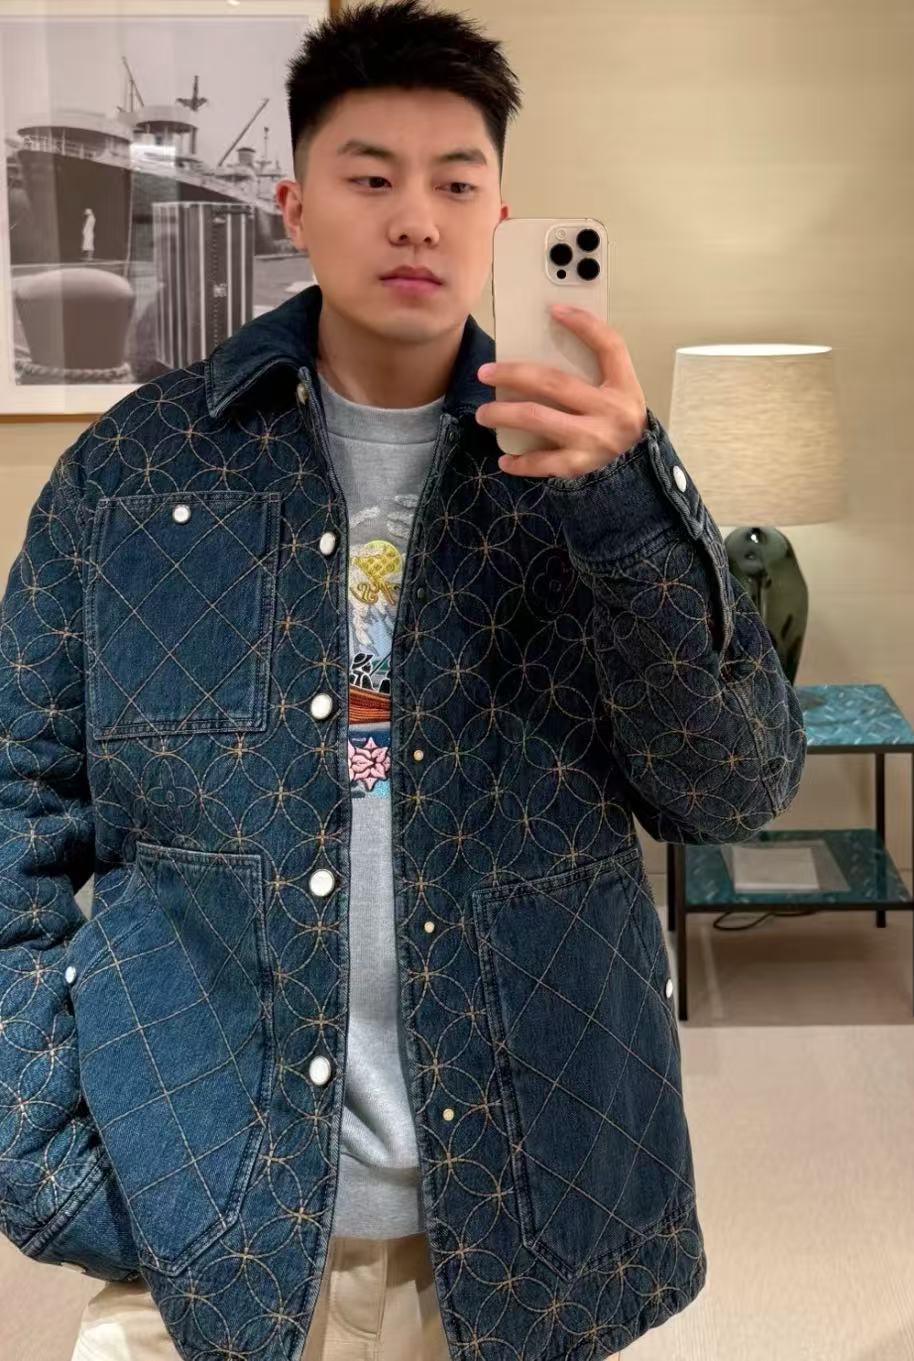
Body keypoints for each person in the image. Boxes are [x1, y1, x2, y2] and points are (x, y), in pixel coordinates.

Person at [0, 2, 806, 1359]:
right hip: (199, 1214)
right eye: (371, 179)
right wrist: (43, 1152)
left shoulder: (595, 479)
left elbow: (733, 788)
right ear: (295, 207)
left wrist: (632, 513)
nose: (416, 220)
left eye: (457, 184)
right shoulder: (134, 477)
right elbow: (17, 803)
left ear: (503, 219)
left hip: (532, 1214)